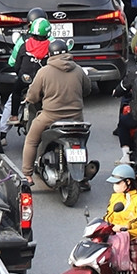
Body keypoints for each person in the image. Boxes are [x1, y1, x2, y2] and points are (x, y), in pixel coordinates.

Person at [21, 38, 85, 183]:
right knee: (81, 143)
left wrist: (30, 98)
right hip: (76, 117)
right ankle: (84, 175)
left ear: (49, 55)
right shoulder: (79, 70)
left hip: (50, 116)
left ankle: (27, 175)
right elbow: (86, 90)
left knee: (31, 141)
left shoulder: (44, 72)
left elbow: (33, 96)